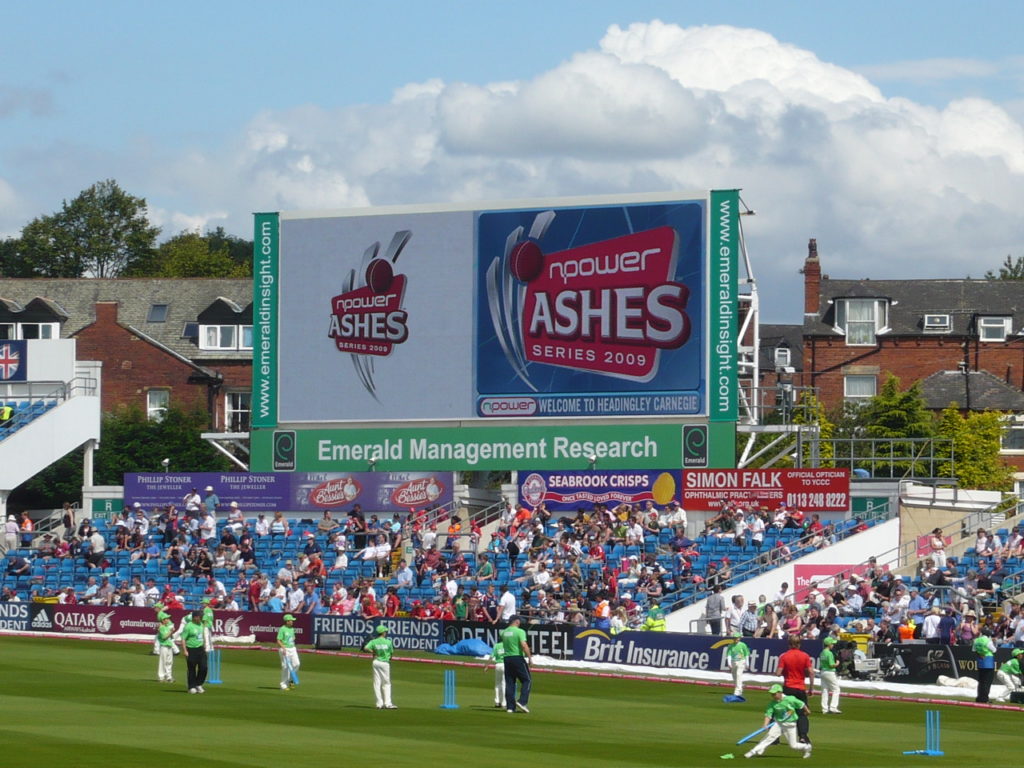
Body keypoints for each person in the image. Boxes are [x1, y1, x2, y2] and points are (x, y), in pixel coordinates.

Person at [743, 684, 813, 760]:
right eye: (771, 694)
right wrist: (765, 724)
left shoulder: (790, 699)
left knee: (793, 745)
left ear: (780, 692)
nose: (773, 696)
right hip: (778, 724)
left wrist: (807, 711)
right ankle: (753, 752)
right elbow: (768, 715)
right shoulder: (772, 703)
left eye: (774, 694)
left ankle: (807, 747)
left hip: (790, 725)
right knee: (769, 738)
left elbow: (802, 704)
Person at [777, 634, 814, 743]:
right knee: (802, 713)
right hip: (800, 687)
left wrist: (786, 672)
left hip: (788, 687)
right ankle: (803, 736)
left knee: (782, 712)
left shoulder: (784, 656)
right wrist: (811, 688)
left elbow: (778, 673)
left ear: (789, 644)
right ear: (799, 644)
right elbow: (811, 673)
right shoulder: (805, 656)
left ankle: (775, 737)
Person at [501, 615, 533, 713]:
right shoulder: (520, 631)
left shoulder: (504, 632)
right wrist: (530, 658)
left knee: (510, 682)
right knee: (527, 680)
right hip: (517, 657)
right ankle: (522, 701)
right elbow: (524, 645)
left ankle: (510, 707)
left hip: (507, 658)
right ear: (516, 621)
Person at [362, 625, 397, 709]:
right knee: (386, 683)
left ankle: (379, 703)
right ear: (383, 632)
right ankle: (388, 703)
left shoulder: (374, 641)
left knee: (377, 683)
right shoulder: (388, 642)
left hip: (376, 662)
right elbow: (391, 652)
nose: (386, 633)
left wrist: (373, 652)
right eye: (385, 631)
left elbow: (365, 648)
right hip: (384, 663)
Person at [181, 610, 208, 694]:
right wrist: (185, 650)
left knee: (204, 667)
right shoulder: (188, 626)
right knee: (192, 669)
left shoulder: (201, 624)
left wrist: (204, 645)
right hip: (191, 649)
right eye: (200, 617)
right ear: (195, 617)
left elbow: (202, 635)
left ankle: (198, 684)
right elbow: (183, 639)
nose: (201, 618)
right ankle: (191, 687)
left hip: (200, 649)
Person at [818, 636, 842, 714]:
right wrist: (837, 663)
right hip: (829, 672)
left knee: (825, 690)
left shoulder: (822, 652)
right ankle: (833, 707)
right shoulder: (829, 653)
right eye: (832, 644)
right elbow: (831, 665)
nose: (833, 645)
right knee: (836, 689)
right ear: (829, 644)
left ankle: (824, 709)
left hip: (823, 672)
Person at [973, 629, 997, 703]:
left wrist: (981, 654)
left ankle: (979, 697)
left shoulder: (976, 640)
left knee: (981, 681)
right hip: (988, 662)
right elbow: (994, 650)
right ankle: (985, 698)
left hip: (980, 661)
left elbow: (974, 650)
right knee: (987, 681)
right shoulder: (988, 641)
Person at [277, 613, 300, 690]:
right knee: (285, 667)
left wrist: (293, 639)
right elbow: (278, 640)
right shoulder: (282, 629)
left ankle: (291, 680)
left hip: (292, 648)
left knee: (297, 664)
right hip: (285, 649)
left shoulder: (292, 629)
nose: (292, 622)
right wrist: (283, 648)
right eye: (291, 620)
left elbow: (293, 637)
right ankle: (283, 685)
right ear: (287, 621)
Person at [727, 631, 751, 698]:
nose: (736, 639)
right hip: (733, 661)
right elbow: (729, 654)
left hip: (741, 661)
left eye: (738, 638)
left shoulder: (743, 645)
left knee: (738, 674)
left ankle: (737, 691)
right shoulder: (731, 645)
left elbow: (746, 654)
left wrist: (747, 663)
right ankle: (739, 688)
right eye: (735, 638)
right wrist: (729, 663)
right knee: (734, 675)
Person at [156, 612, 175, 683]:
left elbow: (170, 637)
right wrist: (171, 632)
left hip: (169, 646)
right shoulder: (162, 627)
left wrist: (171, 632)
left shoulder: (166, 627)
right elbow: (164, 637)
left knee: (169, 662)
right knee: (163, 662)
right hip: (164, 646)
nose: (168, 620)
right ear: (163, 620)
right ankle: (161, 677)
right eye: (167, 619)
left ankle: (169, 677)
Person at [487, 638, 507, 708]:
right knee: (504, 684)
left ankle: (497, 702)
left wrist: (487, 666)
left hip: (498, 665)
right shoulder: (507, 645)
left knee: (497, 684)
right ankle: (504, 703)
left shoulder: (496, 646)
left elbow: (491, 656)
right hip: (505, 665)